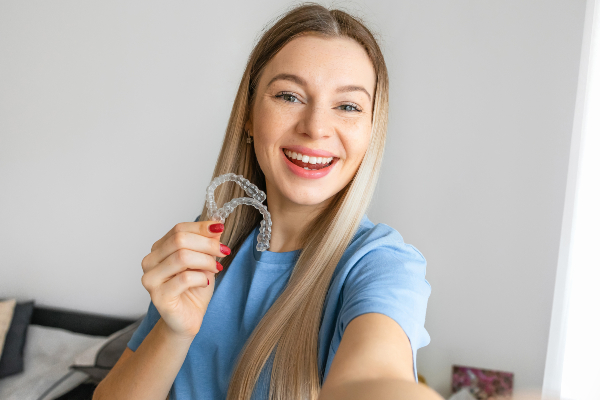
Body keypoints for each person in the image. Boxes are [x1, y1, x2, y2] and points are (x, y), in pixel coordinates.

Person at [92, 3, 440, 400]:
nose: (315, 128)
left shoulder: (381, 264)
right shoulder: (207, 247)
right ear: (248, 115)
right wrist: (175, 331)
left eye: (348, 106)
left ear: (371, 130)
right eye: (290, 96)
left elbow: (372, 381)